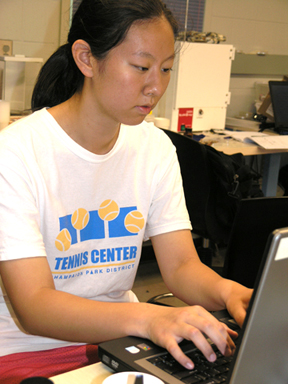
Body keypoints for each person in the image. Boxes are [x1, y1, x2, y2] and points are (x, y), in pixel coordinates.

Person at [0, 0, 252, 381]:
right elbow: (34, 306)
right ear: (86, 59)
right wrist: (151, 318)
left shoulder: (154, 148)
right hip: (28, 352)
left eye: (166, 69)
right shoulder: (16, 153)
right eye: (141, 67)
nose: (156, 86)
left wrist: (229, 292)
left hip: (120, 341)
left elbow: (182, 266)